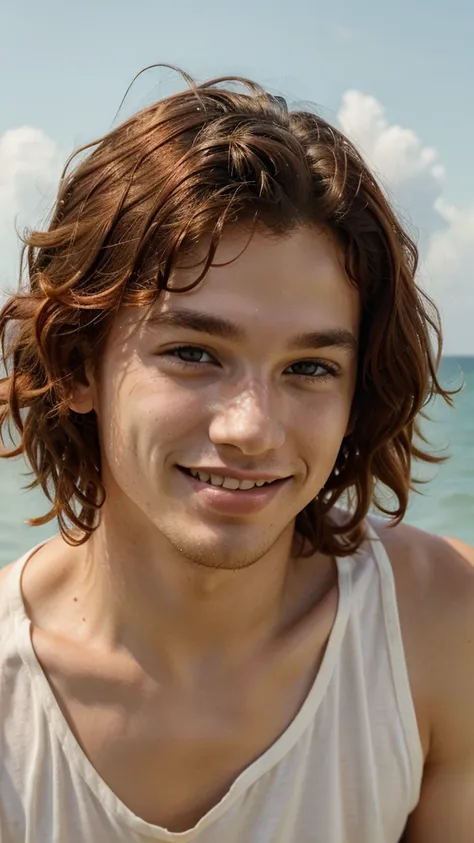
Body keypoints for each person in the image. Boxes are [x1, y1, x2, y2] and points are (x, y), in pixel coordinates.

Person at [0, 67, 473, 843]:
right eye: (194, 353)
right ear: (79, 364)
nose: (251, 427)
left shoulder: (438, 627)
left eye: (310, 367)